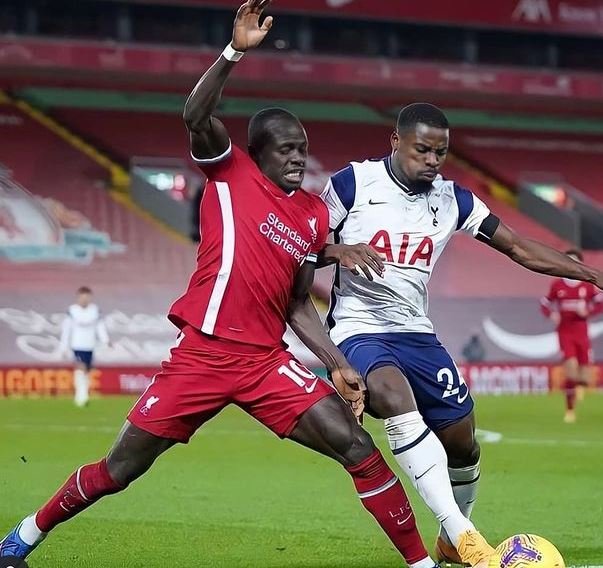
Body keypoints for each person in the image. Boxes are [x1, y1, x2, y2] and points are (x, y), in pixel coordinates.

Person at [2, 5, 448, 566]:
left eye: (303, 150)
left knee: (359, 449)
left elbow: (297, 303)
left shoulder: (312, 213)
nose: (298, 158)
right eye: (286, 149)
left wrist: (336, 362)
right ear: (258, 152)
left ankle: (422, 563)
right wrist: (234, 51)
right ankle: (25, 535)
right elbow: (196, 114)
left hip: (265, 362)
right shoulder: (228, 172)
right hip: (202, 356)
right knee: (120, 469)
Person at [291, 102, 603, 565]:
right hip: (360, 327)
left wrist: (590, 273)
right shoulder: (353, 184)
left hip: (417, 333)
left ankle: (448, 540)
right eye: (422, 150)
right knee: (394, 397)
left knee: (462, 439)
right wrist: (337, 250)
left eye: (441, 152)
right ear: (395, 142)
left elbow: (516, 246)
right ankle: (466, 537)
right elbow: (301, 244)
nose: (432, 160)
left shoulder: (453, 199)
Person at [540, 249, 603, 423]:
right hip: (565, 332)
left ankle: (579, 388)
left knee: (585, 377)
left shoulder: (587, 285)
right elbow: (545, 303)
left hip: (582, 332)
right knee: (571, 370)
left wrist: (588, 311)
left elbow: (599, 303)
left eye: (574, 261)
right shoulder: (558, 285)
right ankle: (570, 410)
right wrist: (551, 314)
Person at [59, 286, 110, 407]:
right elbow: (66, 329)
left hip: (90, 345)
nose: (85, 300)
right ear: (78, 297)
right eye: (82, 297)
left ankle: (83, 394)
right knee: (80, 368)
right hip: (77, 345)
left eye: (87, 297)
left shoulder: (95, 310)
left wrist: (106, 340)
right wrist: (63, 347)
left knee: (87, 371)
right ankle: (81, 396)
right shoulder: (72, 311)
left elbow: (100, 327)